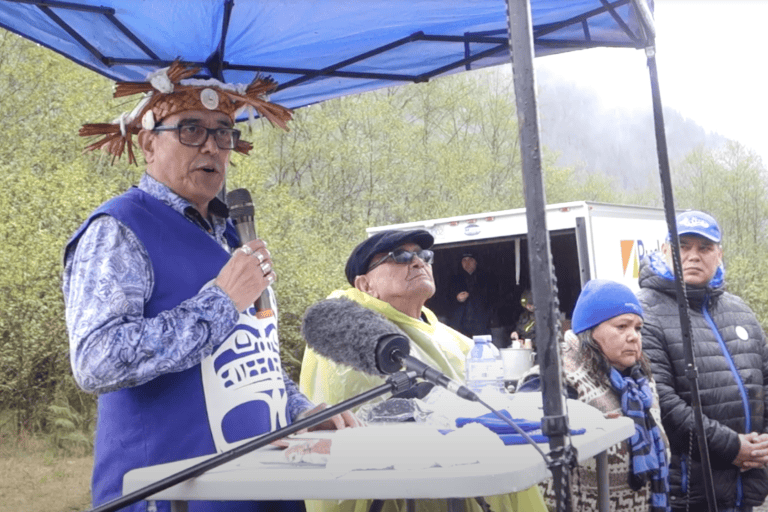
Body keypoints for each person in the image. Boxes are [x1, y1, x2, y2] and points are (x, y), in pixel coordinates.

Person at [63, 61, 358, 512]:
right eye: (190, 130)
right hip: (168, 493)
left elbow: (248, 355)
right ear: (148, 143)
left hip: (261, 486)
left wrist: (297, 408)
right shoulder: (118, 228)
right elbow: (96, 360)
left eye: (224, 132)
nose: (212, 146)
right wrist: (221, 302)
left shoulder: (232, 233)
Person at [300, 229, 547, 512]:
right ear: (365, 284)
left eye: (424, 255)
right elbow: (374, 425)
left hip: (474, 480)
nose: (418, 262)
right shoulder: (346, 327)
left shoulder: (441, 332)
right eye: (401, 256)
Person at [637, 210, 768, 512]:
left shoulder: (741, 311)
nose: (693, 256)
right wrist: (733, 447)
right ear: (665, 250)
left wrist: (761, 446)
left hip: (746, 486)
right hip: (689, 492)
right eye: (683, 246)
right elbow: (662, 404)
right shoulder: (645, 312)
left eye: (704, 248)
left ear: (719, 254)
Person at [520, 279, 670, 512]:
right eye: (622, 326)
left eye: (638, 328)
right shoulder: (556, 378)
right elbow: (525, 435)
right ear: (589, 331)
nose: (633, 336)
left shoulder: (640, 381)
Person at [446, 253, 495, 338]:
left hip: (481, 326)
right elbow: (445, 299)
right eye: (464, 260)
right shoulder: (454, 279)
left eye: (470, 260)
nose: (467, 263)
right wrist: (457, 298)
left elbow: (492, 299)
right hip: (460, 327)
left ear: (476, 262)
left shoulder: (486, 278)